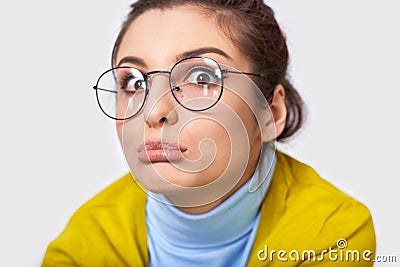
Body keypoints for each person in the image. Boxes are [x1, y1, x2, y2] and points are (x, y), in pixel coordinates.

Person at [42, 0, 376, 266]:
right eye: (134, 82)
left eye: (202, 78)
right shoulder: (82, 248)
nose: (153, 110)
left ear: (269, 113)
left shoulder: (333, 233)